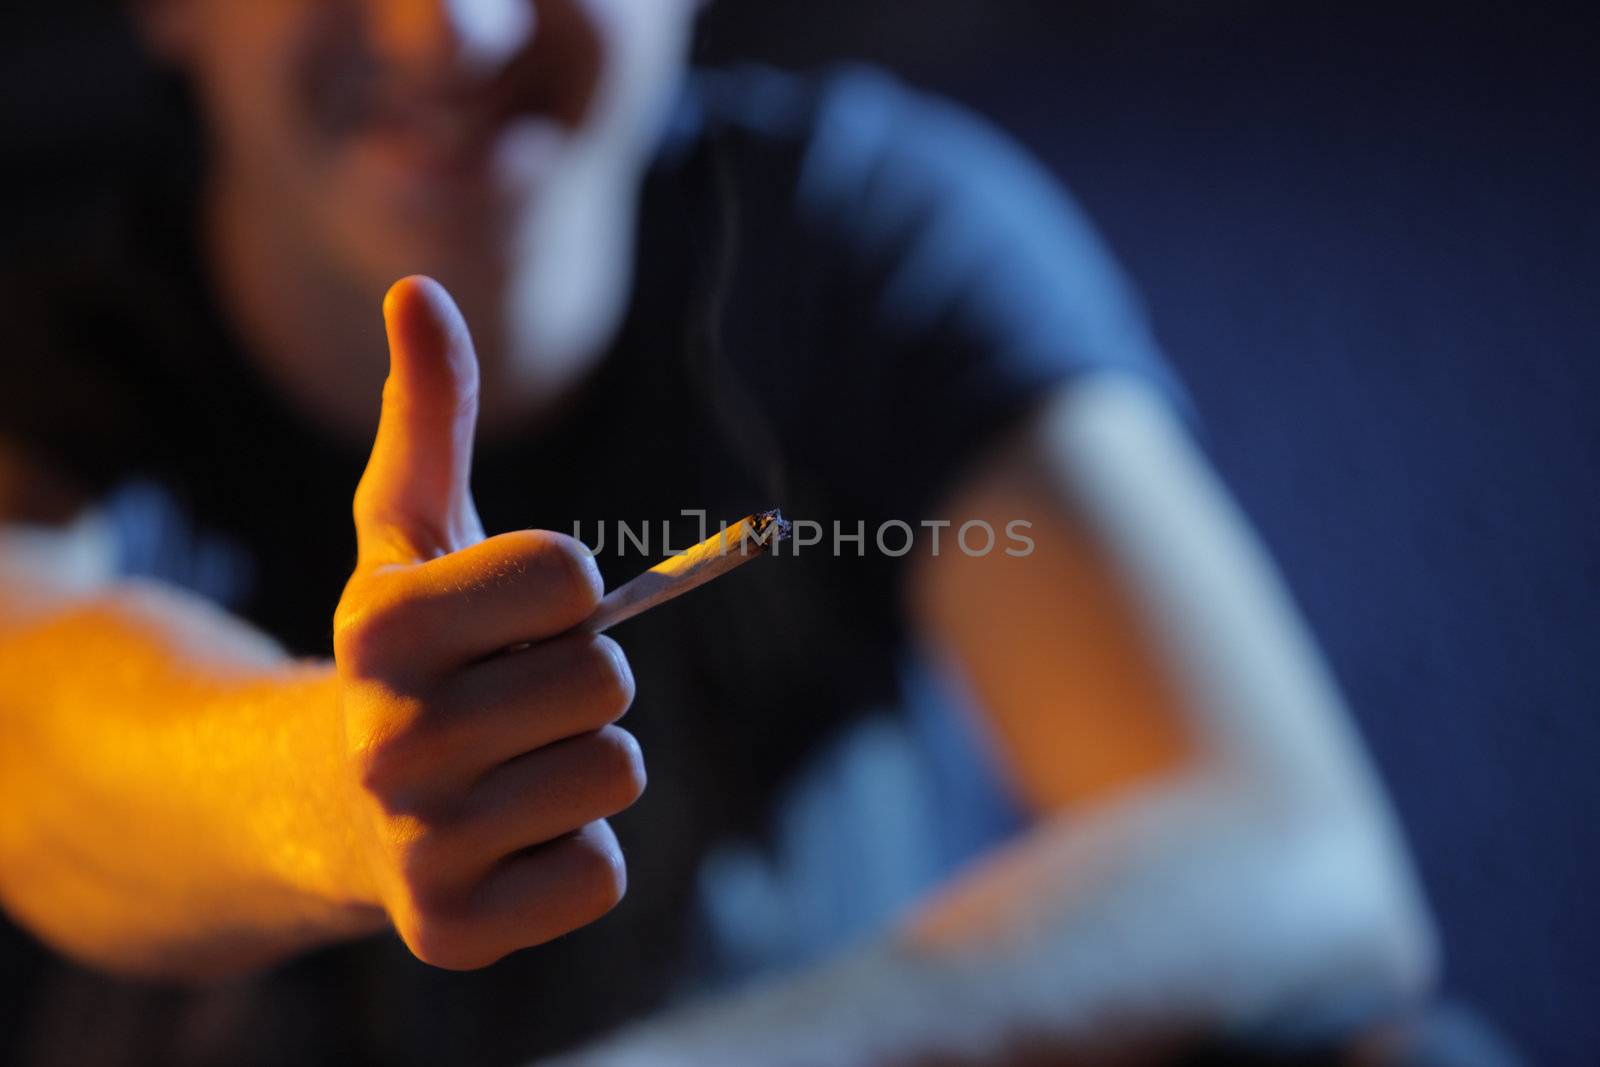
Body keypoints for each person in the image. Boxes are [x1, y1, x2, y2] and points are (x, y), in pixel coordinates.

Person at [0, 1, 1437, 1064]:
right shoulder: (42, 323)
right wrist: (337, 784)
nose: (458, 33)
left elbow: (1292, 854)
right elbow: (39, 750)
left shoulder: (860, 236)